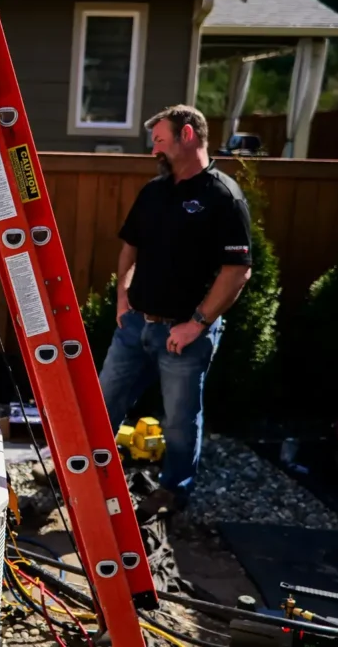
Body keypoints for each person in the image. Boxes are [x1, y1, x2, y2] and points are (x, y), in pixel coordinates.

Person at [100, 104, 253, 518]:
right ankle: (84, 475)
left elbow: (237, 270)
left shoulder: (223, 197)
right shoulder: (154, 192)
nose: (155, 151)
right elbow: (130, 244)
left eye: (161, 141)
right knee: (102, 405)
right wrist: (122, 298)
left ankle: (172, 491)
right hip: (135, 327)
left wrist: (197, 324)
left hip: (185, 335)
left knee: (179, 423)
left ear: (187, 136)